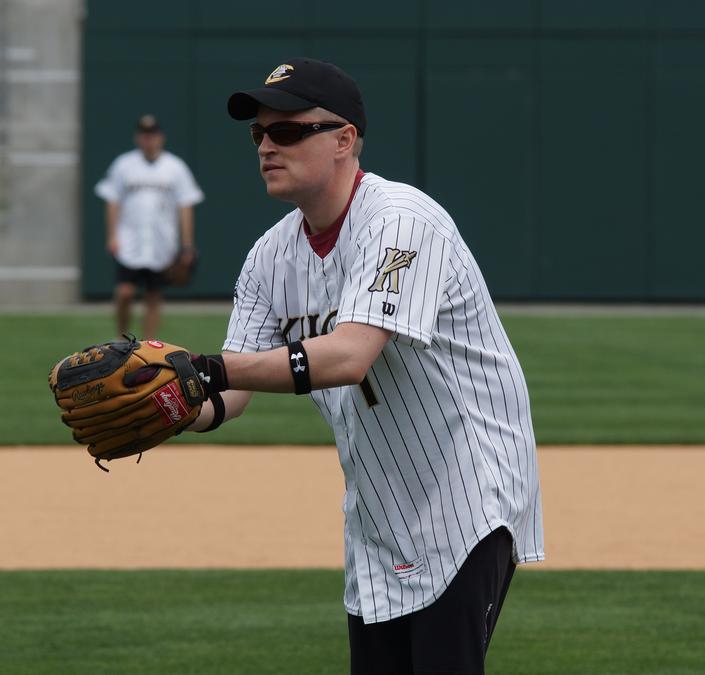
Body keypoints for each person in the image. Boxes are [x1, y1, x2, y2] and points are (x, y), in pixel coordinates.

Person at [183, 58, 544, 674]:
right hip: (378, 516)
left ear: (344, 139)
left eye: (289, 131)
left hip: (468, 497)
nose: (268, 145)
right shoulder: (270, 258)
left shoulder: (401, 222)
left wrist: (209, 369)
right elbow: (229, 395)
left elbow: (349, 355)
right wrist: (171, 399)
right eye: (259, 134)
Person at [95, 114, 204, 339]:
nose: (149, 139)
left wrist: (187, 245)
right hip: (130, 241)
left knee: (154, 295)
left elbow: (186, 206)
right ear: (138, 138)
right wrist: (112, 235)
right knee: (124, 292)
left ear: (161, 137)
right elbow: (112, 201)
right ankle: (121, 338)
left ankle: (147, 345)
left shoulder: (175, 167)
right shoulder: (123, 164)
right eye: (144, 135)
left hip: (161, 242)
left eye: (152, 135)